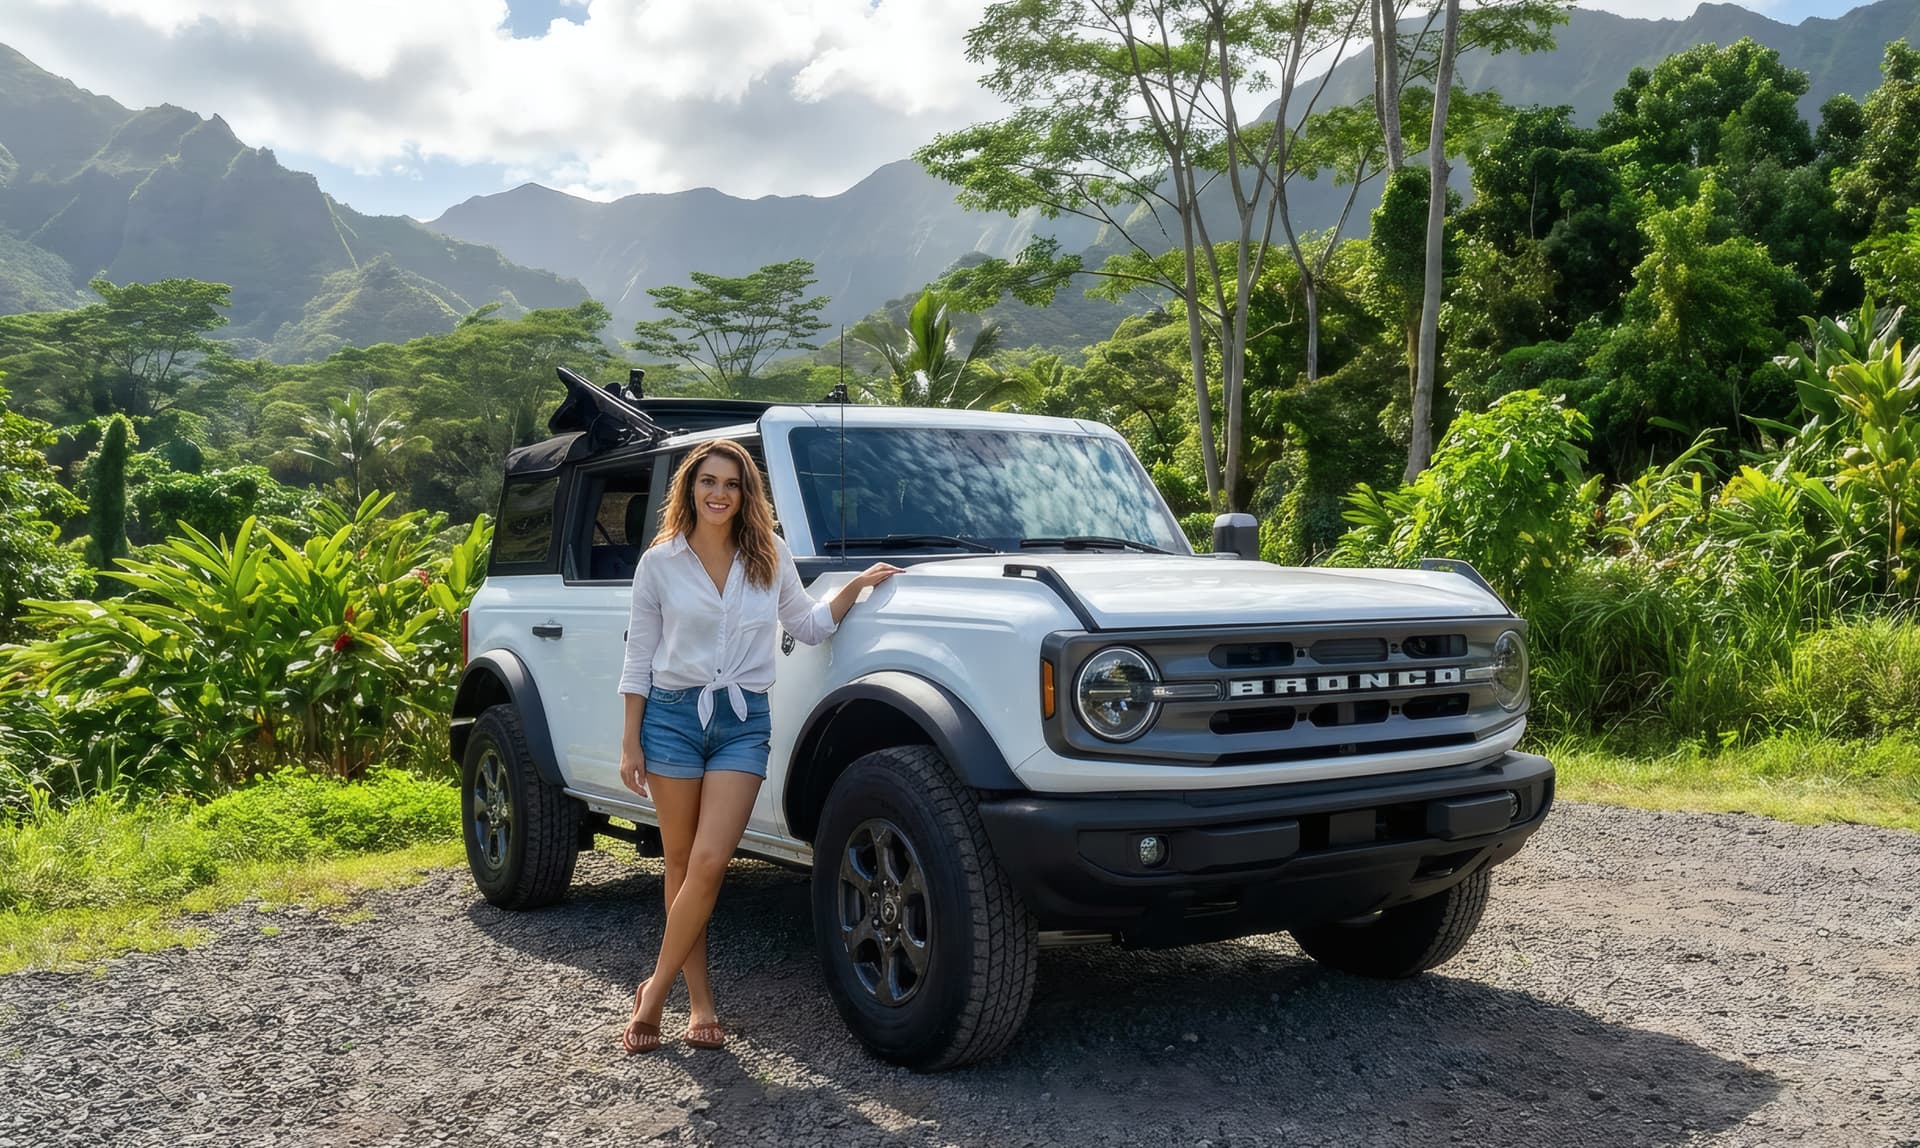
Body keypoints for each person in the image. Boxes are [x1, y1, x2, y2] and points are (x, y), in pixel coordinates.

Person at [616, 438, 899, 1053]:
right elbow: (638, 656)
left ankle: (653, 991)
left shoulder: (768, 555)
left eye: (732, 484)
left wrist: (856, 588)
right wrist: (630, 740)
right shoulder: (660, 562)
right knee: (681, 863)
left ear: (747, 494)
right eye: (708, 481)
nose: (719, 493)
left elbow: (808, 625)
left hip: (743, 722)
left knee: (714, 861)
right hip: (670, 718)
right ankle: (700, 1002)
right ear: (690, 488)